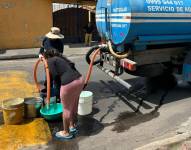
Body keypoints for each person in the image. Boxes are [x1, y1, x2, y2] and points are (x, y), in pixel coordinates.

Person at [43, 49, 84, 140]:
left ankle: (66, 132)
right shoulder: (61, 59)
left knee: (66, 108)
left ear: (46, 57)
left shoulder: (50, 60)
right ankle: (72, 126)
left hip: (69, 84)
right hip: (80, 80)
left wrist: (58, 92)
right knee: (73, 104)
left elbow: (55, 76)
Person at [39, 27, 64, 101]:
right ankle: (48, 94)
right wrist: (40, 54)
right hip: (47, 62)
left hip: (55, 63)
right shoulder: (46, 39)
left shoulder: (60, 43)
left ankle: (57, 97)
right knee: (48, 79)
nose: (53, 39)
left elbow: (60, 55)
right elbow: (42, 48)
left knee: (56, 80)